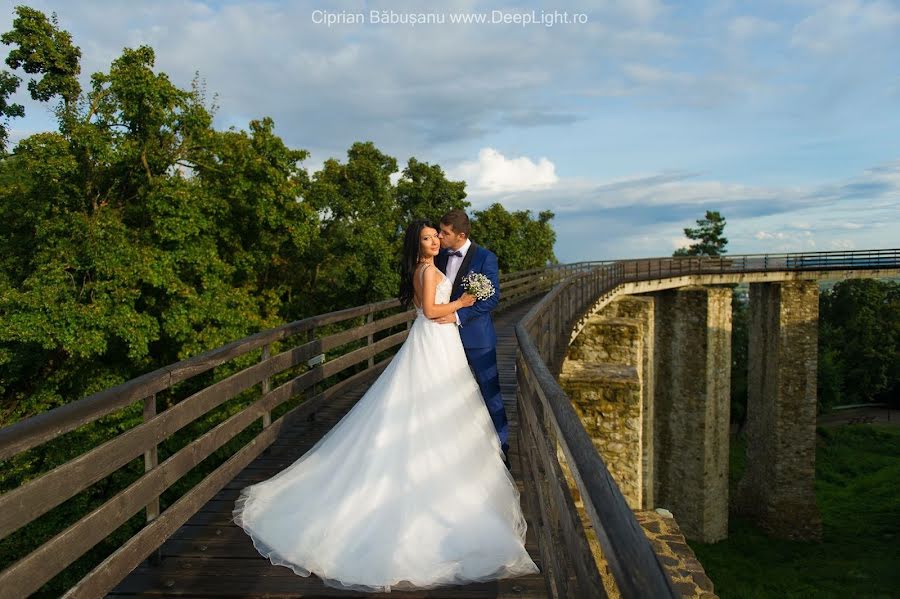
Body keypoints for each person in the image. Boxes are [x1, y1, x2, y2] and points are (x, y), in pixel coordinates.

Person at [232, 219, 538, 593]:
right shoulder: (426, 271)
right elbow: (429, 310)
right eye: (427, 238)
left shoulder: (433, 267)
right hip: (434, 339)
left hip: (442, 342)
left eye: (436, 237)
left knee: (445, 404)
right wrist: (462, 301)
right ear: (418, 245)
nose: (434, 242)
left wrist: (459, 303)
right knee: (429, 404)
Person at [434, 209, 511, 468]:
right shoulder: (439, 257)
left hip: (477, 338)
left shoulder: (485, 258)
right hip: (444, 339)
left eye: (445, 233)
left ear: (461, 235)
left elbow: (492, 298)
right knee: (451, 393)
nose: (440, 237)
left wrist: (458, 317)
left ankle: (502, 447)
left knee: (490, 391)